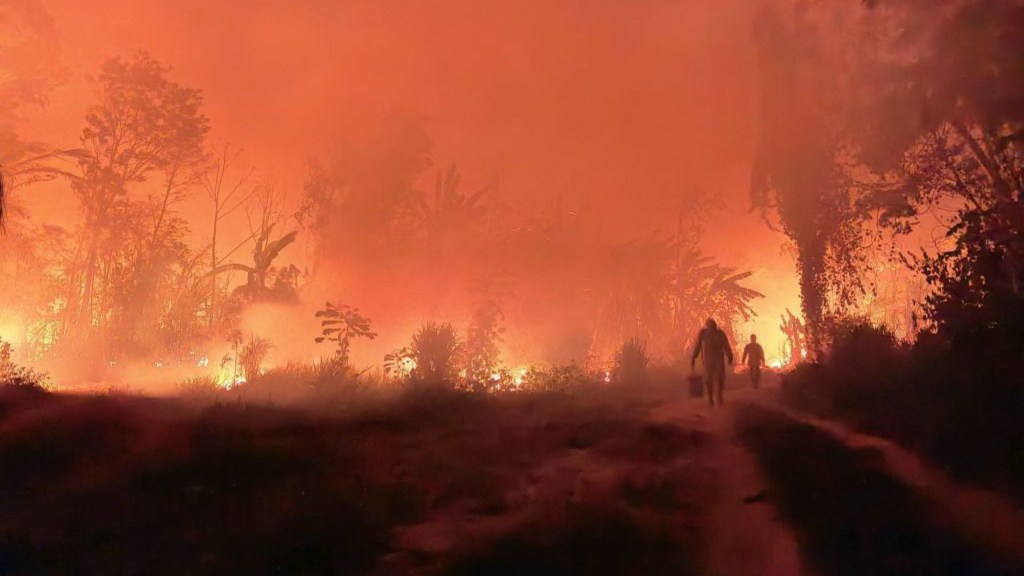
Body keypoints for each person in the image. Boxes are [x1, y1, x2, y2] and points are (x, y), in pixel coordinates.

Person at [691, 318, 734, 406]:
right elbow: (698, 345)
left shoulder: (719, 333)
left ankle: (718, 395)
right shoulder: (704, 333)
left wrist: (730, 356)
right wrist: (694, 356)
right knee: (710, 379)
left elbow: (726, 345)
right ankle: (712, 397)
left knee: (718, 378)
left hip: (715, 360)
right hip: (710, 360)